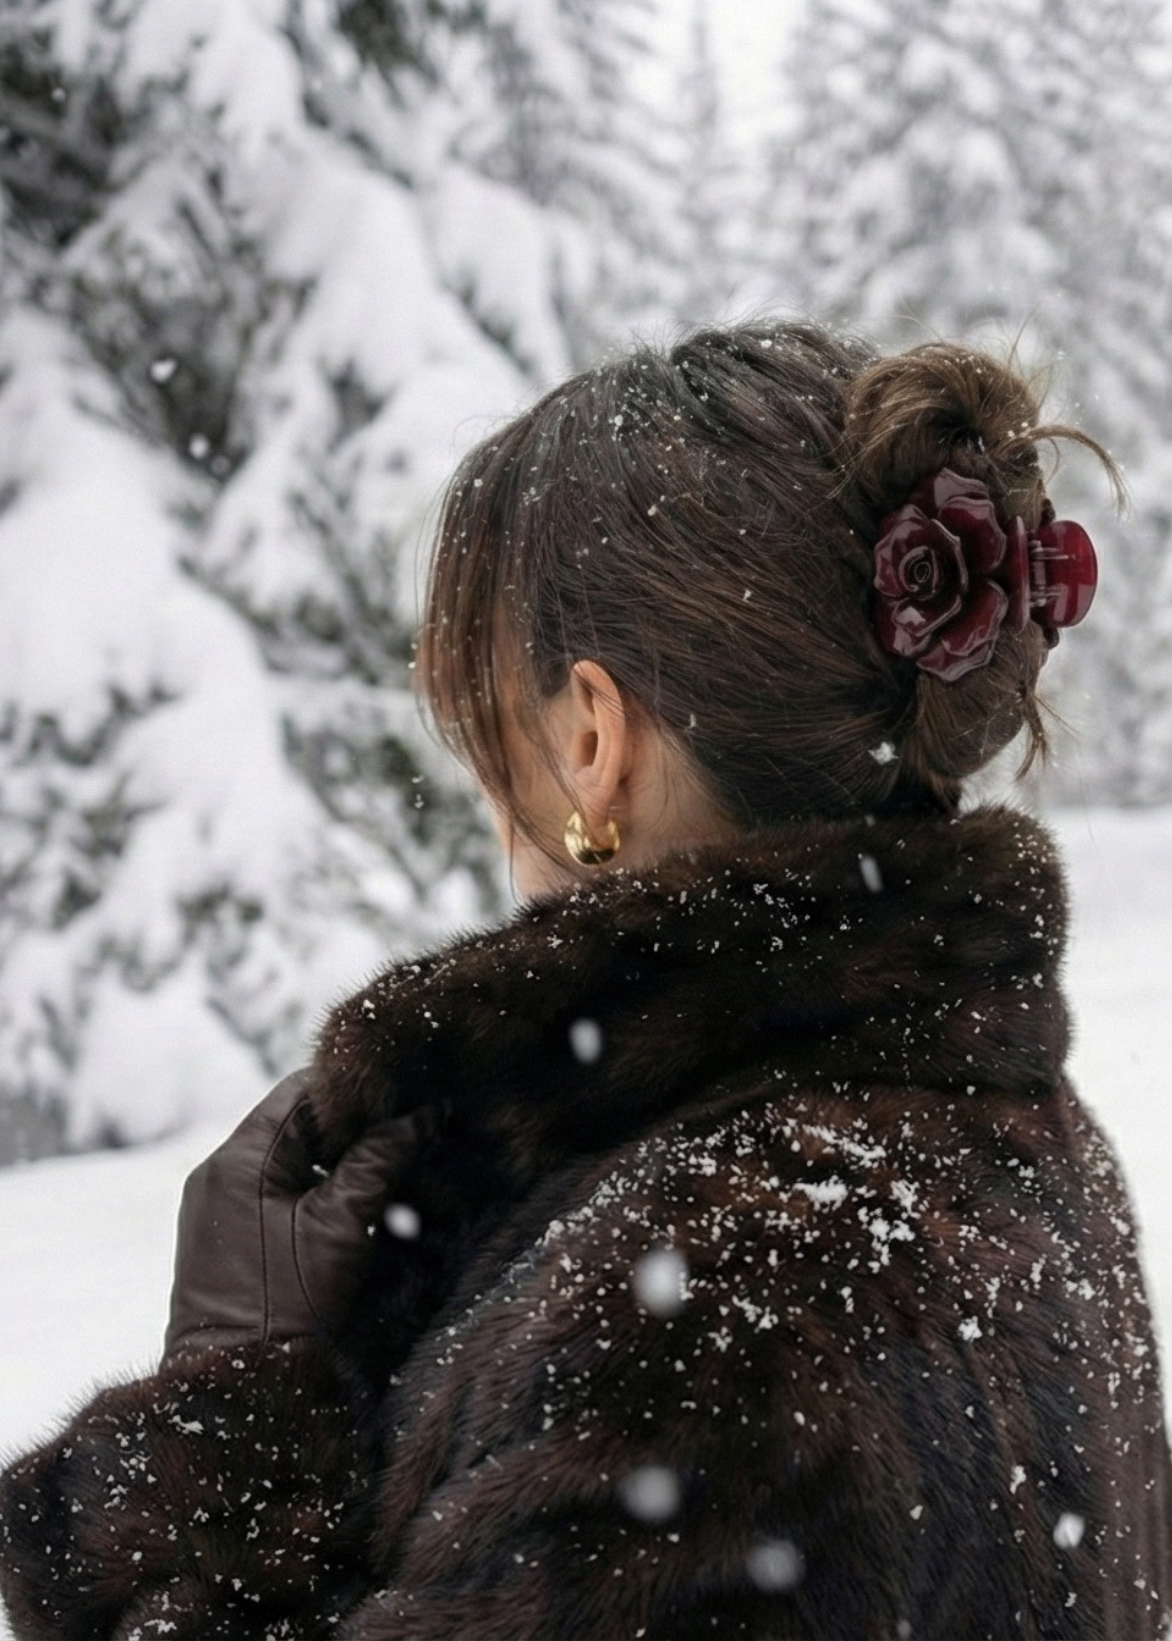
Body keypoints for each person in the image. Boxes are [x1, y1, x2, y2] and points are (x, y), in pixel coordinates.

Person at [1, 322, 1170, 1640]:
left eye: (484, 723)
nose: (487, 794)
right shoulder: (1020, 1155)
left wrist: (224, 1430)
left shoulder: (695, 1297)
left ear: (592, 739)